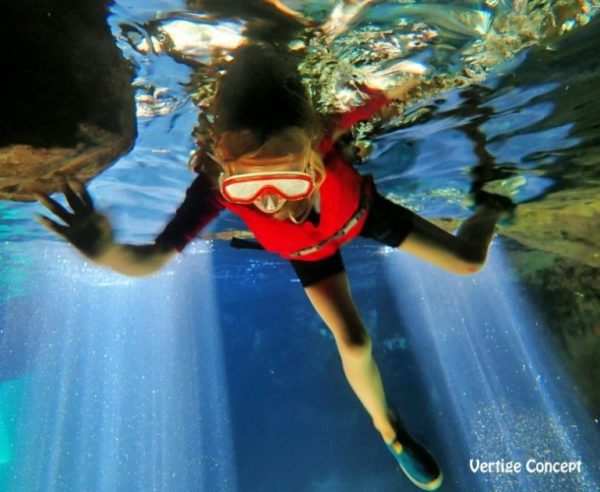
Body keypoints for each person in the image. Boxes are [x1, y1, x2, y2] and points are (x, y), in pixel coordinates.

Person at [36, 43, 512, 491]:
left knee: (469, 261)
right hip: (312, 253)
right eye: (249, 190)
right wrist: (107, 254)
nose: (270, 201)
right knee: (354, 340)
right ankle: (390, 432)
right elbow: (154, 260)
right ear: (227, 174)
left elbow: (410, 78)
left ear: (313, 160)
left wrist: (457, 60)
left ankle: (488, 204)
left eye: (288, 182)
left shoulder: (323, 134)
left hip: (363, 217)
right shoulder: (215, 185)